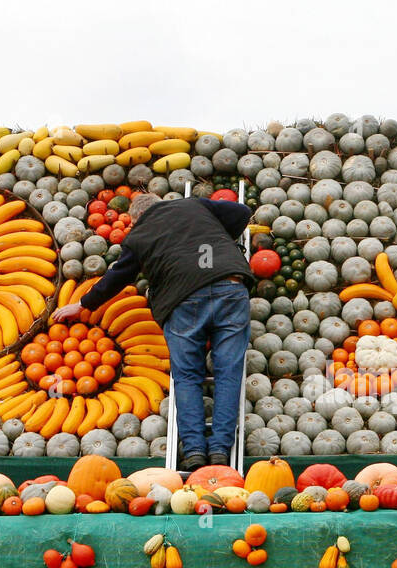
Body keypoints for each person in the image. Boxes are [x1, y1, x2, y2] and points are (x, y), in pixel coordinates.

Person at [53, 193, 253, 472]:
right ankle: (220, 449)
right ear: (161, 203)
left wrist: (83, 304)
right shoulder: (193, 204)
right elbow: (242, 213)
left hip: (183, 300)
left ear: (134, 220)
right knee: (228, 372)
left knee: (187, 376)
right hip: (230, 286)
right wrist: (217, 242)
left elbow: (117, 277)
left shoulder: (138, 236)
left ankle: (195, 450)